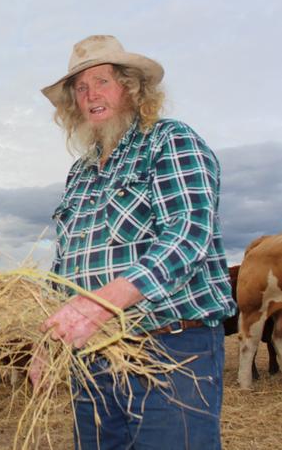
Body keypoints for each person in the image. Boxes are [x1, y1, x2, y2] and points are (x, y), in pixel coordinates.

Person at [30, 35, 236, 449]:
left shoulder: (170, 141)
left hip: (171, 351)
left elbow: (187, 233)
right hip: (94, 358)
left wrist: (100, 303)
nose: (91, 96)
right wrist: (47, 339)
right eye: (81, 89)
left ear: (130, 87)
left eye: (102, 82)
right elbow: (67, 265)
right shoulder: (81, 173)